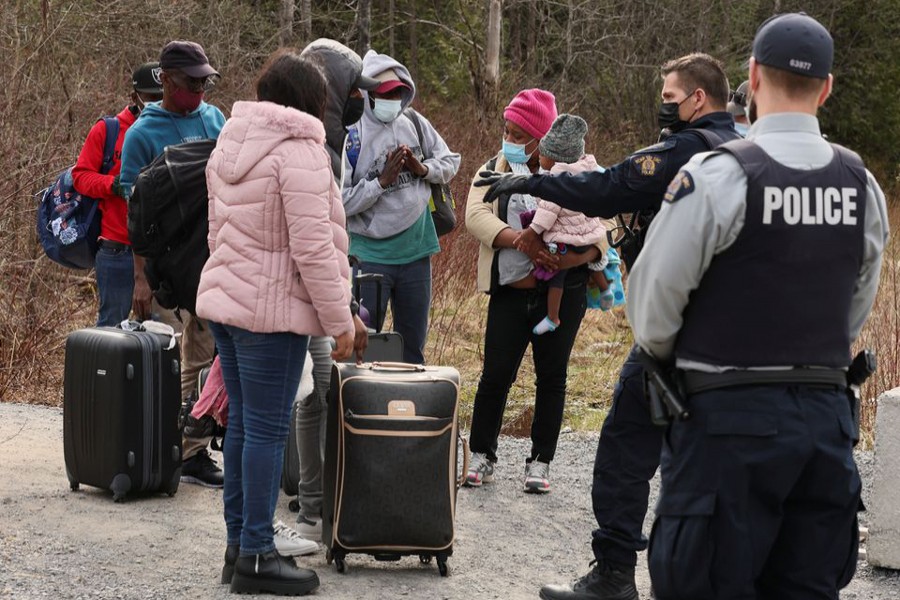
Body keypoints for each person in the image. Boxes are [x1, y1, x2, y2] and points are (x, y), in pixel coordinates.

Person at [629, 13, 889, 599]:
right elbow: (853, 309)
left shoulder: (719, 176)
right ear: (826, 88)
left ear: (752, 76)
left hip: (726, 422)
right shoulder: (861, 185)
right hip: (824, 426)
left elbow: (652, 309)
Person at [475, 55, 738, 599]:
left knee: (626, 447)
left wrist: (537, 182)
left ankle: (616, 574)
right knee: (705, 456)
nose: (663, 104)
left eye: (670, 95)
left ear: (697, 99)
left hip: (676, 333)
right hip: (730, 334)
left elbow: (608, 188)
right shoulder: (746, 149)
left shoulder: (687, 150)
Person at [195, 49, 357, 596]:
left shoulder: (231, 141)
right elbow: (315, 250)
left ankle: (239, 546)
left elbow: (218, 233)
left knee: (242, 426)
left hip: (228, 306)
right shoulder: (301, 152)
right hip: (271, 315)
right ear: (313, 102)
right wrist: (340, 322)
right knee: (263, 430)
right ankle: (259, 556)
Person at [464, 89, 601, 495]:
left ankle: (540, 460)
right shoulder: (493, 168)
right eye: (507, 129)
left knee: (552, 376)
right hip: (510, 292)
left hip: (562, 293)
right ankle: (482, 454)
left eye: (518, 132)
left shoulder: (580, 173)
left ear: (541, 138)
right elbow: (475, 216)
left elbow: (602, 229)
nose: (508, 137)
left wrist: (572, 261)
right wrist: (519, 240)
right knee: (495, 376)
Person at [118, 40, 227, 489]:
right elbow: (135, 214)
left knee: (203, 356)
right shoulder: (143, 134)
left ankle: (191, 451)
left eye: (205, 82)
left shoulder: (214, 119)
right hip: (165, 264)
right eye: (191, 83)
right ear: (165, 81)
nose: (200, 90)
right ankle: (155, 445)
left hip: (210, 260)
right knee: (165, 354)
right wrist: (140, 279)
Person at [291, 38, 376, 543]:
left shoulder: (326, 142)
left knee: (320, 395)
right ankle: (308, 508)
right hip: (301, 301)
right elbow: (313, 242)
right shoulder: (309, 147)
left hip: (315, 298)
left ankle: (319, 505)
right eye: (353, 92)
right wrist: (343, 311)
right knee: (304, 400)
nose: (360, 103)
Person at [342, 49, 461, 365]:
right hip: (370, 256)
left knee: (412, 350)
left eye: (398, 92)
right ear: (368, 94)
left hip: (416, 252)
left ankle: (409, 408)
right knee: (362, 347)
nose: (392, 99)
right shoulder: (352, 135)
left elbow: (451, 160)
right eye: (384, 94)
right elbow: (340, 201)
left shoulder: (414, 122)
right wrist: (381, 182)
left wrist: (423, 169)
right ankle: (361, 408)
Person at [72, 62, 163, 326]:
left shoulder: (172, 127)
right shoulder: (108, 130)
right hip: (117, 249)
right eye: (150, 97)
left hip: (162, 251)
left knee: (160, 333)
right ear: (135, 96)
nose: (156, 103)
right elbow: (80, 176)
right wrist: (113, 185)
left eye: (161, 96)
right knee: (112, 329)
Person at [514, 113, 613, 335]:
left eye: (544, 155)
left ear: (556, 159)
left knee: (556, 275)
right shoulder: (587, 169)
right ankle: (606, 289)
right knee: (594, 260)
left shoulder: (556, 181)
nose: (540, 158)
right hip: (589, 234)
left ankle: (552, 317)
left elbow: (547, 212)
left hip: (566, 237)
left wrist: (531, 232)